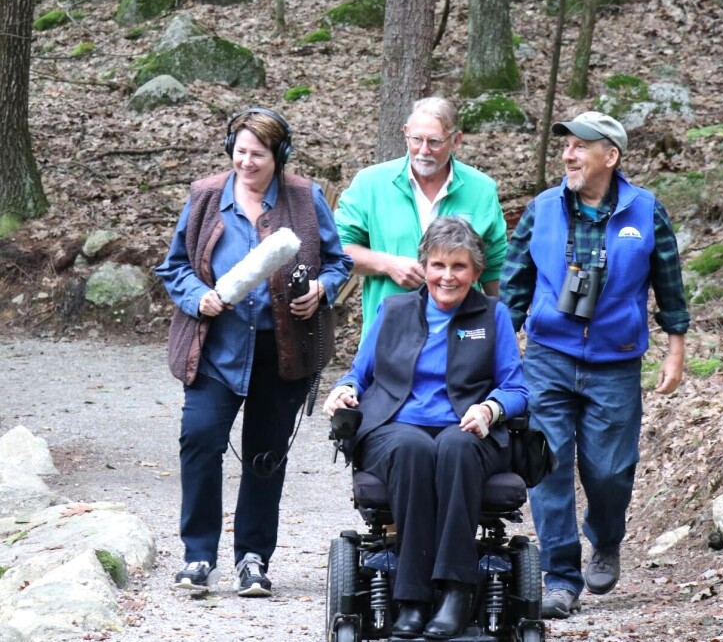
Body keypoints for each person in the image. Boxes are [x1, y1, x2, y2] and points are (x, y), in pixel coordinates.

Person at [156, 108, 352, 597]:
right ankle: (198, 556)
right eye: (240, 151)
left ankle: (253, 559)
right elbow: (174, 266)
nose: (247, 162)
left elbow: (339, 261)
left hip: (280, 351)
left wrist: (322, 290)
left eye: (258, 155)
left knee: (265, 457)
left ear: (279, 157)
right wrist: (195, 295)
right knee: (200, 442)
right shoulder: (205, 197)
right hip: (215, 346)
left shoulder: (304, 198)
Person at [500, 111, 690, 619]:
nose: (568, 155)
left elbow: (669, 285)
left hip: (616, 361)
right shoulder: (542, 210)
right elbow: (514, 288)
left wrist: (675, 347)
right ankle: (560, 578)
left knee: (609, 471)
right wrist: (494, 352)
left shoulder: (646, 211)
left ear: (611, 156)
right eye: (566, 146)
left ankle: (606, 538)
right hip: (548, 357)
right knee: (549, 468)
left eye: (581, 147)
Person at [323, 216, 528, 639]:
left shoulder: (493, 315)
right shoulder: (395, 309)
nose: (447, 276)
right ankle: (411, 598)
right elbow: (358, 374)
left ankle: (456, 593)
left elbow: (518, 388)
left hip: (469, 430)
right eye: (438, 265)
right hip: (394, 427)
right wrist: (342, 390)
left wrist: (491, 409)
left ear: (475, 272)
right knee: (412, 447)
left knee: (454, 446)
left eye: (459, 267)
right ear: (424, 267)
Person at [334, 96, 508, 341]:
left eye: (435, 142)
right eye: (416, 139)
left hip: (462, 337)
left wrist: (503, 329)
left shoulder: (481, 189)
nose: (424, 150)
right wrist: (388, 264)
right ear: (405, 133)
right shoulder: (371, 184)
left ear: (456, 140)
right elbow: (336, 251)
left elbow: (495, 266)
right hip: (388, 335)